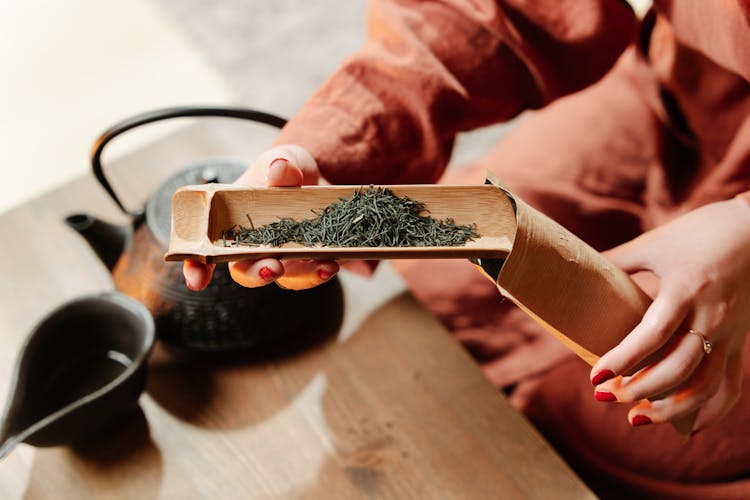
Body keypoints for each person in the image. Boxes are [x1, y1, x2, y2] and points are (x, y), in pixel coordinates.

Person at [183, 1, 750, 496]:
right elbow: (491, 10)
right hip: (693, 93)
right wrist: (334, 151)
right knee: (430, 307)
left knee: (592, 424)